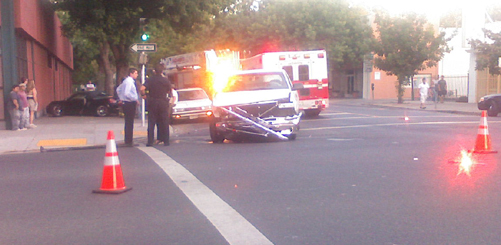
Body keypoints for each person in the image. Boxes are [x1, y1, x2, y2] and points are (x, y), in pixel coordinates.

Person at [140, 64, 172, 146]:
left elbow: (142, 88)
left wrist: (144, 95)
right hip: (163, 102)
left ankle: (150, 141)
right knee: (164, 122)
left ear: (154, 71)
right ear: (162, 71)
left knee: (151, 122)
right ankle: (166, 140)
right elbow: (170, 91)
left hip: (152, 102)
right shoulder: (165, 80)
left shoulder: (150, 80)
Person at [116, 68, 139, 146]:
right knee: (130, 122)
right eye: (135, 73)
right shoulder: (129, 82)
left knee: (128, 122)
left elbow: (118, 90)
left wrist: (121, 98)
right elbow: (127, 93)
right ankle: (129, 141)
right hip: (130, 103)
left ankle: (128, 140)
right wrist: (134, 99)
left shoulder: (125, 81)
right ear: (131, 73)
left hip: (125, 103)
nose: (137, 75)